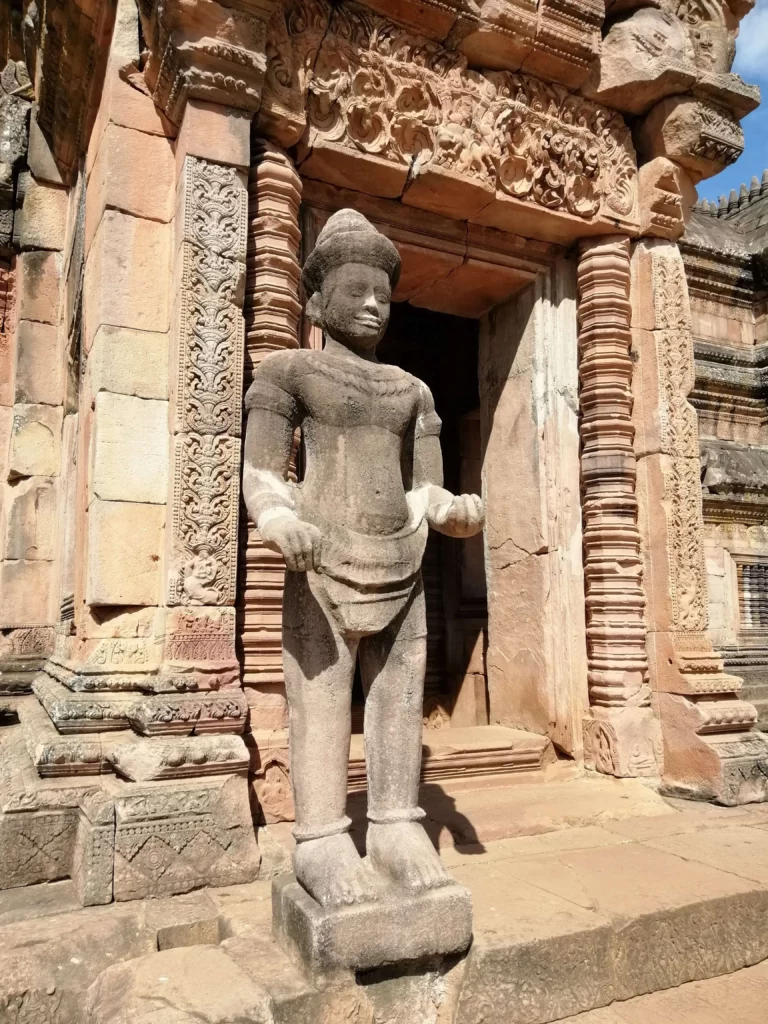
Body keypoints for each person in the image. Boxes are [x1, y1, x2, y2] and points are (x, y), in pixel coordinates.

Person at [243, 209, 484, 907]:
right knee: (320, 699)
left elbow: (425, 484)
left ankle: (395, 825)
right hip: (321, 559)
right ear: (317, 299)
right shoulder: (287, 372)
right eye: (356, 289)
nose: (374, 302)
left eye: (382, 290)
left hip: (401, 558)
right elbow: (260, 470)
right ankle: (320, 836)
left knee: (400, 694)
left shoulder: (412, 390)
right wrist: (278, 514)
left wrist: (450, 510)